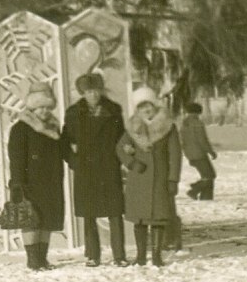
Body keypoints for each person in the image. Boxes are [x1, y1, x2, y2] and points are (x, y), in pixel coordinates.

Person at [62, 72, 127, 267]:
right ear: (83, 93)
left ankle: (119, 255)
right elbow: (65, 141)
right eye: (89, 91)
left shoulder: (114, 110)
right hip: (86, 169)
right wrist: (74, 161)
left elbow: (122, 137)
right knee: (89, 214)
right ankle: (93, 255)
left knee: (115, 212)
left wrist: (120, 159)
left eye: (96, 90)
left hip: (108, 167)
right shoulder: (73, 113)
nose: (93, 95)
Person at [117, 86, 181, 268]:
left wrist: (172, 179)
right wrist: (131, 163)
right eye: (142, 106)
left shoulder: (168, 126)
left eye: (149, 105)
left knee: (158, 218)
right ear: (137, 109)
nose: (146, 109)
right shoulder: (132, 127)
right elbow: (120, 148)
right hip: (139, 179)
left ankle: (156, 255)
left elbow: (175, 155)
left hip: (160, 180)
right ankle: (140, 256)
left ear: (155, 105)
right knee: (140, 219)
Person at [7, 81, 66, 271]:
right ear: (32, 107)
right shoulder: (21, 128)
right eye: (40, 107)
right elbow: (16, 158)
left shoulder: (53, 128)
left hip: (50, 181)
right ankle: (32, 259)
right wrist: (17, 184)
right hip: (29, 182)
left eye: (47, 107)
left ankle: (42, 258)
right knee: (31, 220)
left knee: (47, 219)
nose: (44, 111)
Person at [180, 102, 218, 200]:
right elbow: (202, 140)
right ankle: (194, 190)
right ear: (197, 112)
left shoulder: (184, 123)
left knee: (206, 175)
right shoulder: (197, 123)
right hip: (199, 153)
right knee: (210, 175)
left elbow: (182, 140)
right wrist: (211, 151)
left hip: (190, 153)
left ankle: (205, 196)